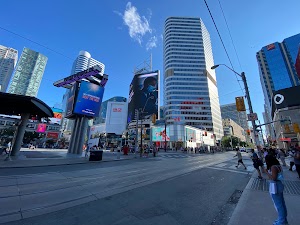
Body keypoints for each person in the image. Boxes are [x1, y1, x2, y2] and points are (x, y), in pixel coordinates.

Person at [264, 156, 288, 225]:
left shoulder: (273, 167)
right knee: (281, 204)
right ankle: (283, 220)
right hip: (278, 185)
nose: (265, 162)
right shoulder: (277, 166)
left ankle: (281, 221)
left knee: (279, 205)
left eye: (266, 161)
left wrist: (267, 172)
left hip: (275, 186)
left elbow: (273, 178)